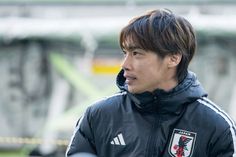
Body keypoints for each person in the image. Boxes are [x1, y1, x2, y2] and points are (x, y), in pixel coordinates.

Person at [66, 8, 236, 157]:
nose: (124, 64)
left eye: (136, 53)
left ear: (173, 58)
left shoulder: (216, 126)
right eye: (125, 52)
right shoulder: (98, 116)